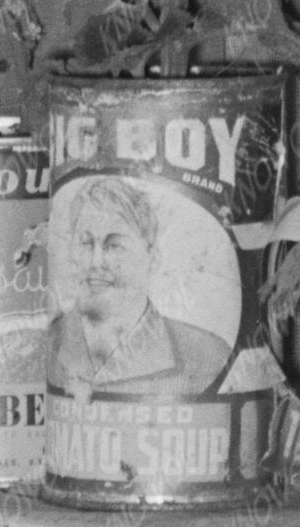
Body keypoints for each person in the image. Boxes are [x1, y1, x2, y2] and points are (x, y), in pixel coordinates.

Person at [45, 161, 243, 398]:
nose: (96, 262)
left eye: (114, 245)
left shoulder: (208, 355)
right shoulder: (47, 341)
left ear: (153, 256)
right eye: (86, 243)